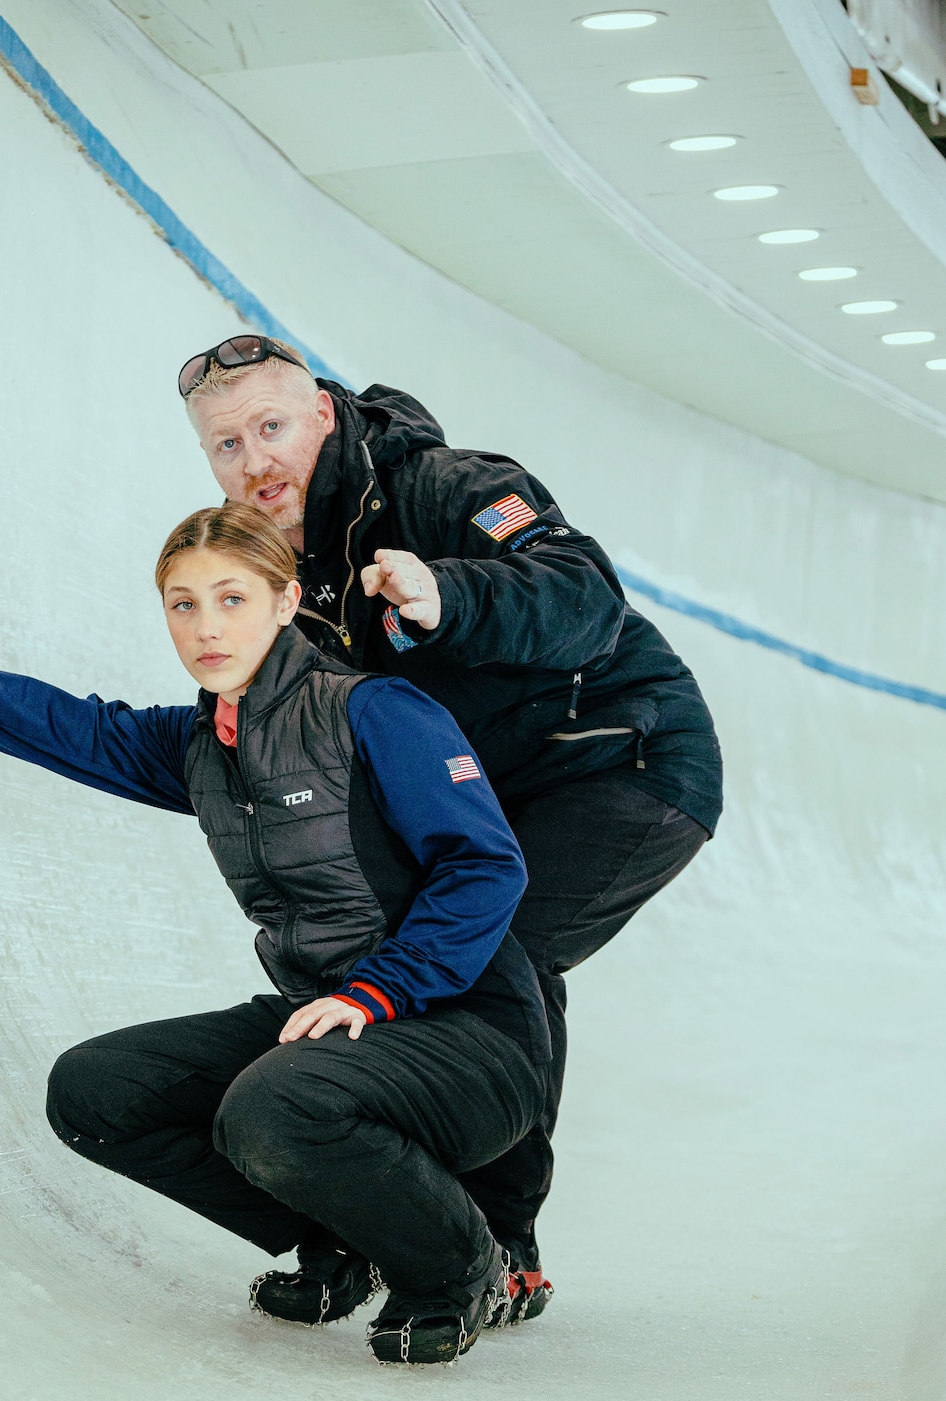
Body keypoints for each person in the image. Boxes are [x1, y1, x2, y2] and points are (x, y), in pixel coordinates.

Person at [0, 508, 553, 1367]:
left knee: (273, 1108)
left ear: (286, 600)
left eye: (230, 597)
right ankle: (344, 1241)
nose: (206, 626)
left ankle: (456, 1268)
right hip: (327, 1022)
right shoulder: (197, 746)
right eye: (182, 605)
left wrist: (377, 990)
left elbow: (484, 867)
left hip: (466, 1032)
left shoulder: (374, 711)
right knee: (97, 1094)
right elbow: (38, 719)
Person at [178, 334, 724, 1316]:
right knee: (388, 942)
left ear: (325, 416)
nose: (252, 460)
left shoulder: (447, 487)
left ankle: (501, 1233)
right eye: (225, 444)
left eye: (270, 427)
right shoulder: (269, 565)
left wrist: (449, 594)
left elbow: (585, 599)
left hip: (624, 756)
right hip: (482, 787)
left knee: (485, 948)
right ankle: (360, 1219)